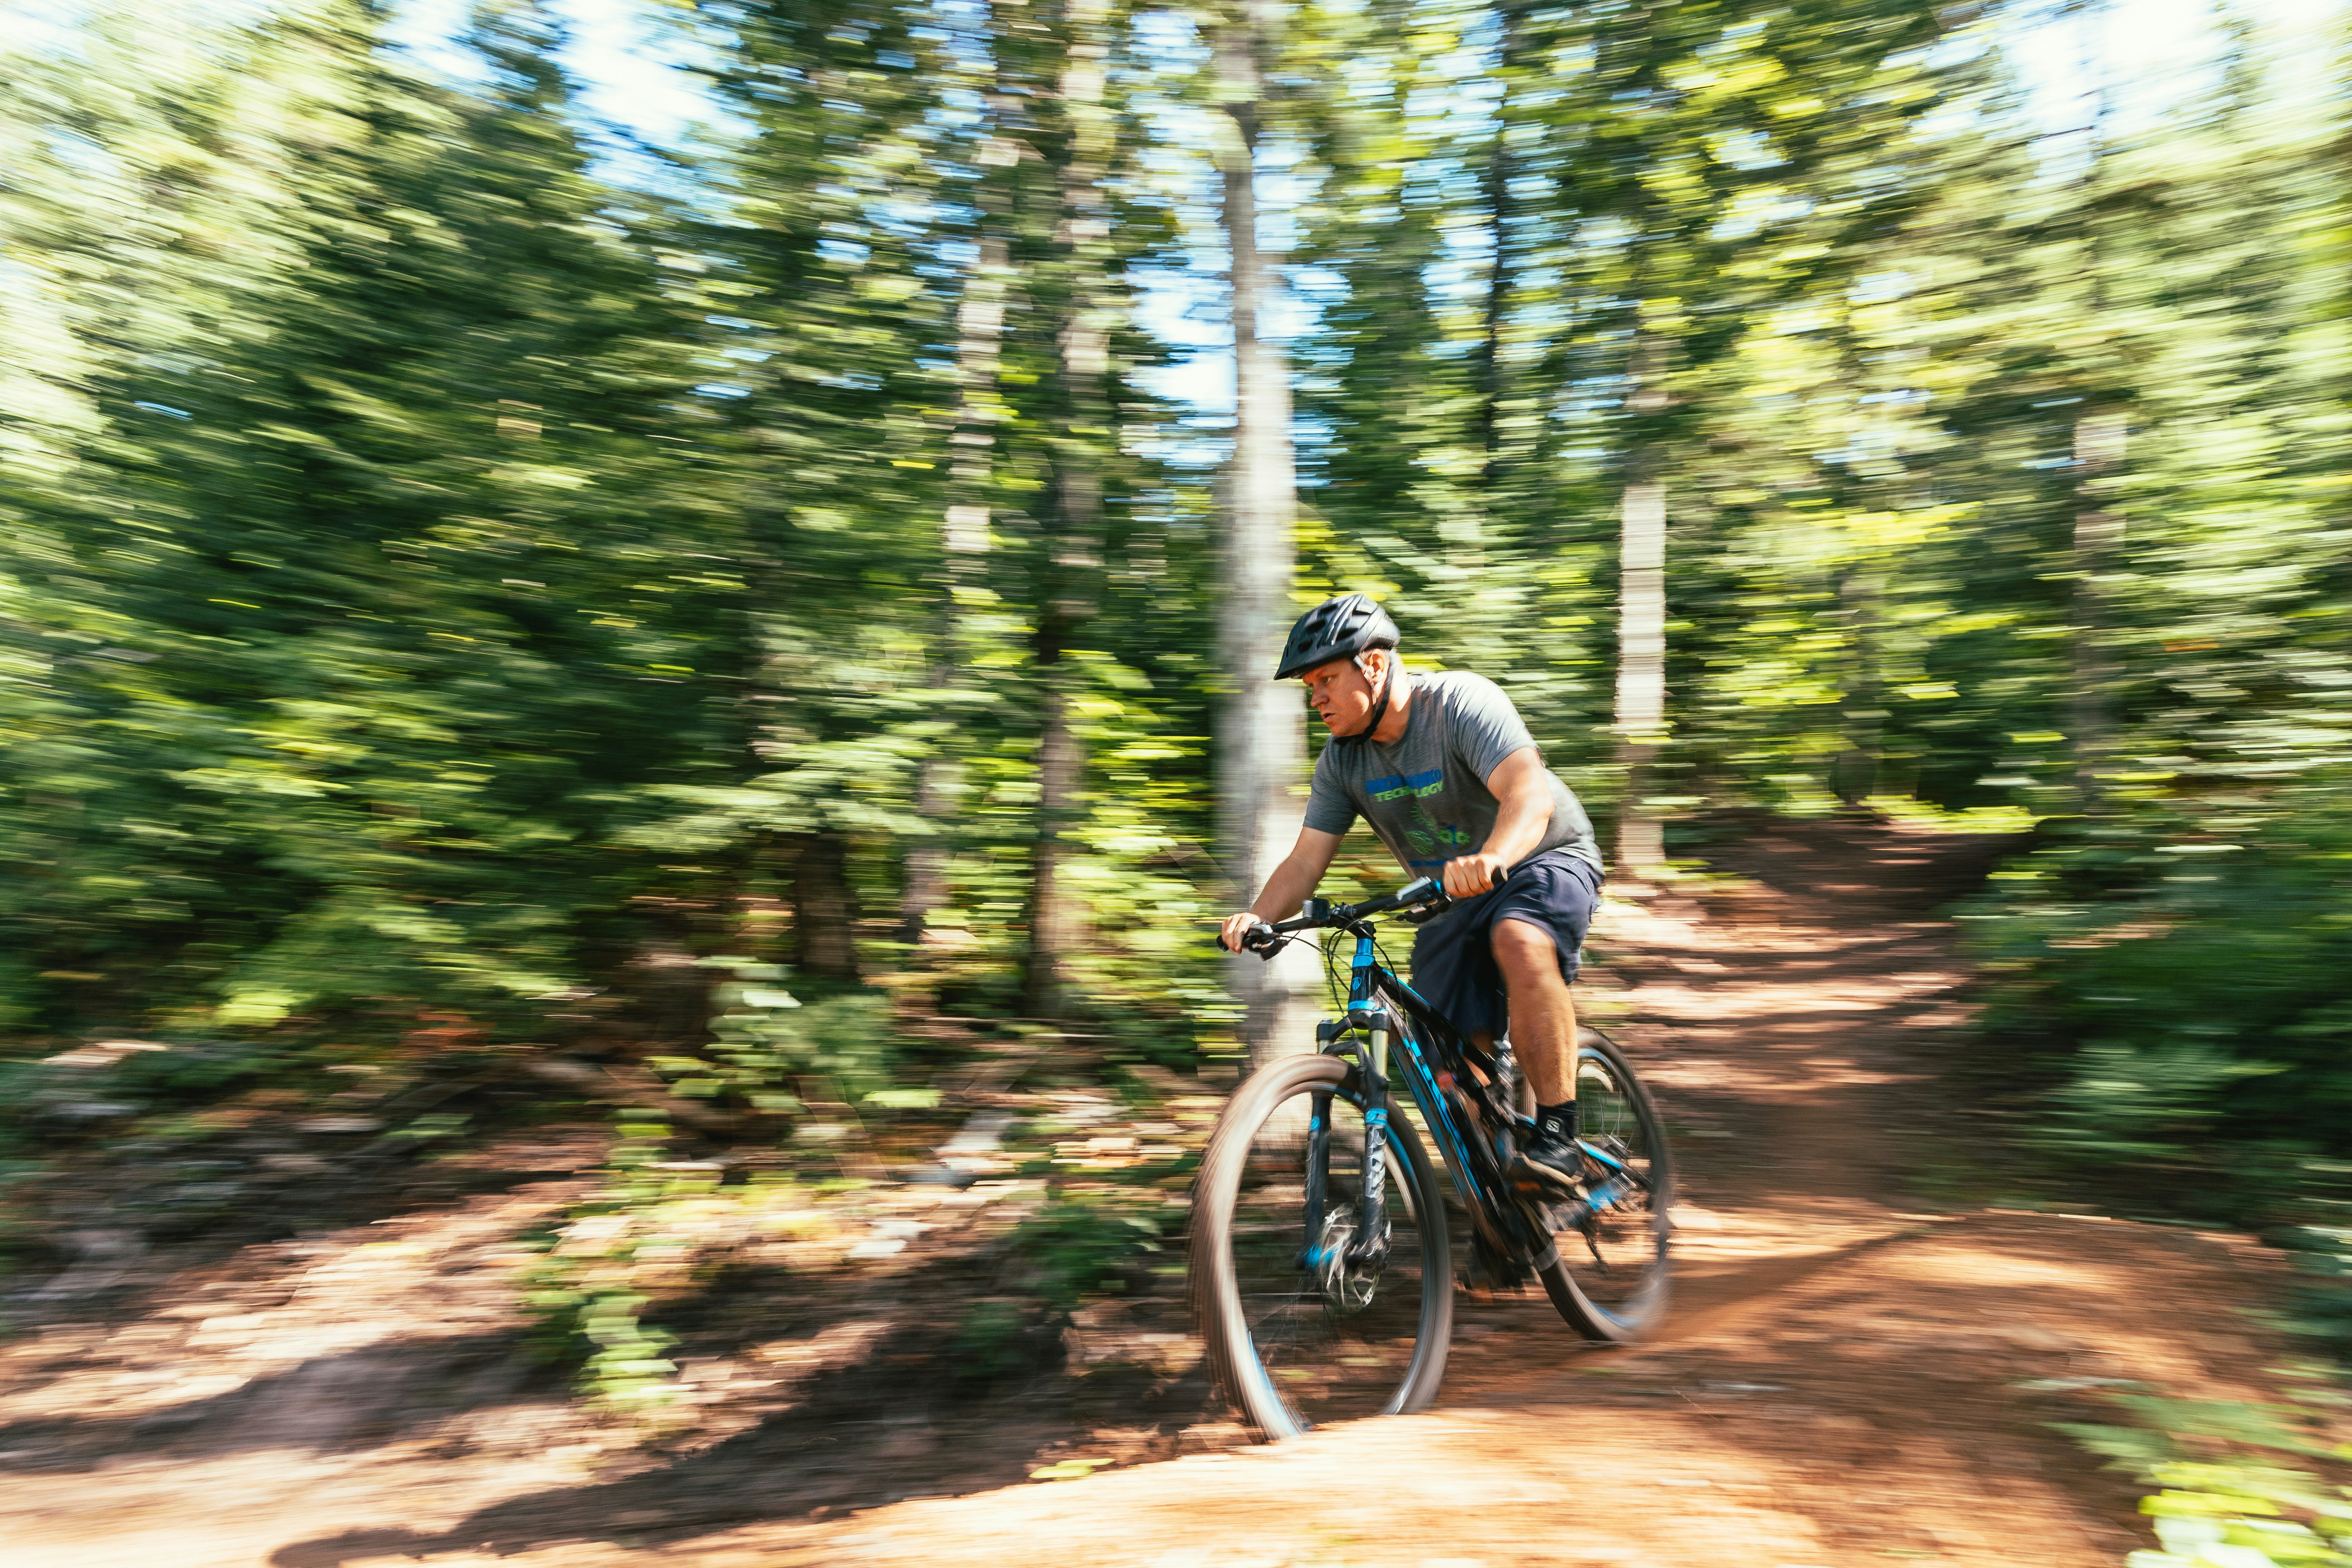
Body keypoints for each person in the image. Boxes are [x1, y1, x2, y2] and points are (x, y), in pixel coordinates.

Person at [1219, 593, 1606, 1191]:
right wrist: (1258, 917)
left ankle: (1557, 1134)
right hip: (1454, 897)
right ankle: (1501, 1198)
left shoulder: (1457, 704)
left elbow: (1530, 794)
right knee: (1451, 1047)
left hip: (1544, 857)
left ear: (1373, 666)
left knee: (1518, 937)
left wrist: (1494, 857)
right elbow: (1304, 862)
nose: (1315, 697)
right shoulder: (1342, 762)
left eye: (1325, 679)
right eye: (1309, 686)